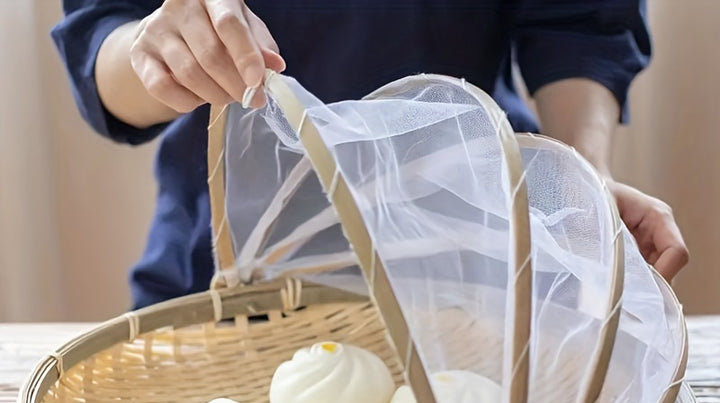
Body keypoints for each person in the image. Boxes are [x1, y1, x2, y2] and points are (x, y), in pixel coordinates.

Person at [53, 0, 689, 310]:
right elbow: (103, 42)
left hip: (474, 266)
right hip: (223, 278)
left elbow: (577, 22)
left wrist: (581, 180)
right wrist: (159, 49)